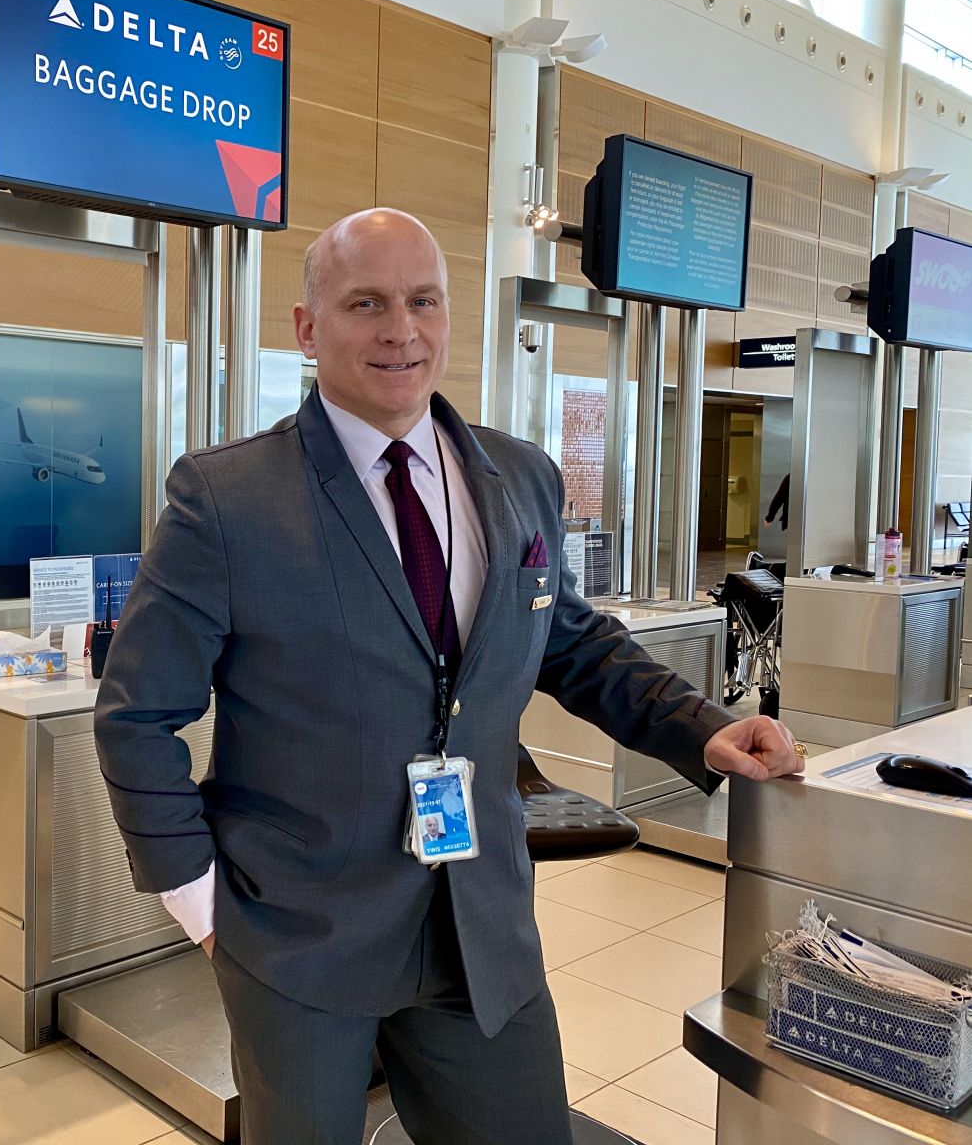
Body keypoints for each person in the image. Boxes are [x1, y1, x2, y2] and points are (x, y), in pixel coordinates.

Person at [94, 209, 805, 1144]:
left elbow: (568, 641)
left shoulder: (520, 478)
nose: (402, 329)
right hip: (298, 936)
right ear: (308, 328)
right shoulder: (226, 500)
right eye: (366, 303)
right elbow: (137, 717)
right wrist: (203, 907)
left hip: (479, 927)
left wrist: (697, 725)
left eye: (423, 300)